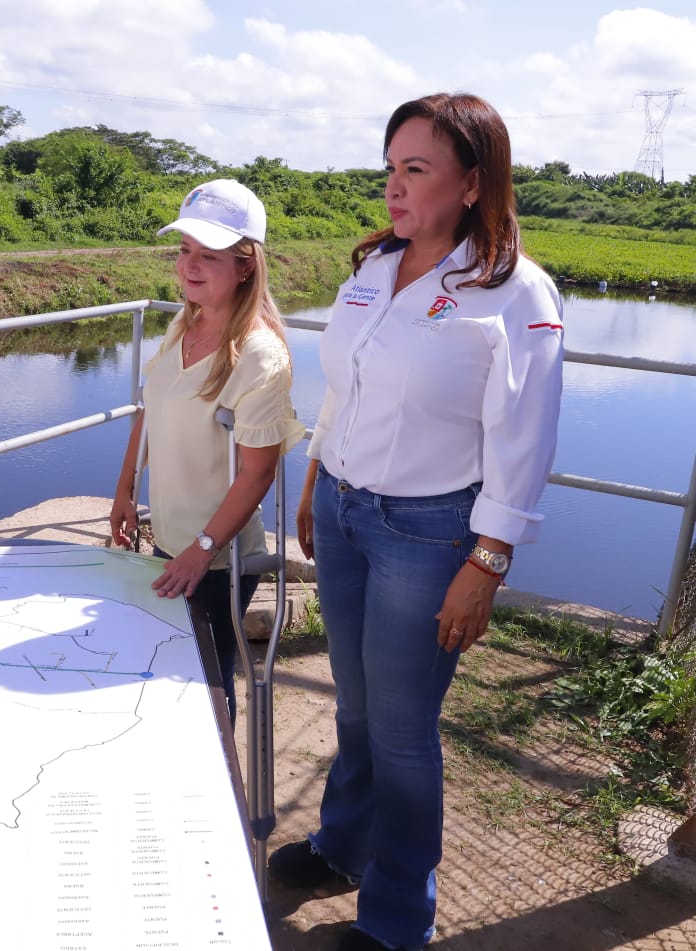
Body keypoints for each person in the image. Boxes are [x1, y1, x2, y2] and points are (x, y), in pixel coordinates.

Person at [269, 93, 564, 951]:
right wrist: (316, 476)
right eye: (390, 168)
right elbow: (346, 388)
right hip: (346, 508)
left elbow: (525, 436)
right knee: (355, 707)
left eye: (416, 170)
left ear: (473, 182)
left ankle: (399, 919)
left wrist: (489, 558)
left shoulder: (513, 293)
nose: (394, 187)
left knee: (402, 730)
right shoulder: (373, 269)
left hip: (428, 532)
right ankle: (343, 845)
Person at [109, 179, 305, 722]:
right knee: (165, 669)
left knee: (209, 681)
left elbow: (257, 473)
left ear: (246, 265)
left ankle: (222, 789)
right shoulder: (184, 321)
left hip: (219, 558)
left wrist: (201, 549)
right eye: (184, 251)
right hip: (169, 540)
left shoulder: (260, 357)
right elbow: (150, 409)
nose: (190, 267)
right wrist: (125, 491)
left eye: (210, 256)